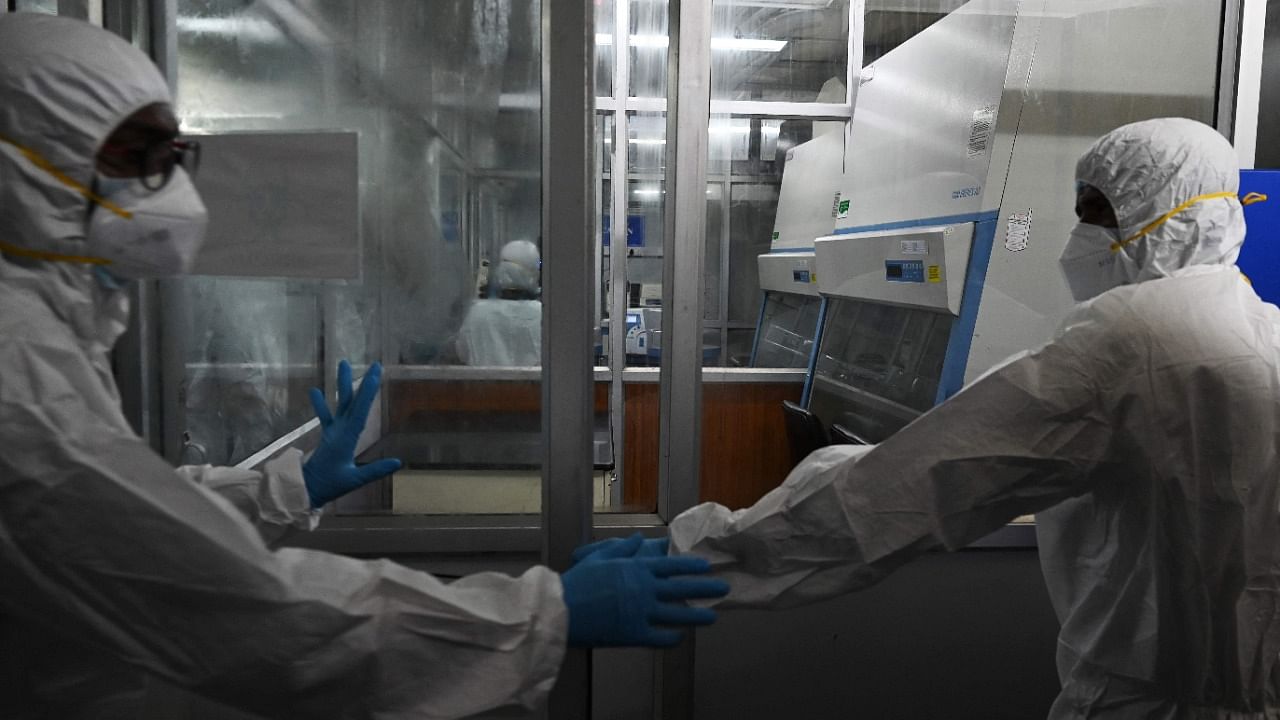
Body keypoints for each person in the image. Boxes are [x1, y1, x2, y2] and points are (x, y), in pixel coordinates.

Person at [0, 14, 727, 719]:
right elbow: (238, 608)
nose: (171, 193)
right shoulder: (17, 378)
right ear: (21, 163)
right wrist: (540, 616)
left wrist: (287, 490)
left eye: (172, 157)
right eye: (136, 157)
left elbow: (135, 519)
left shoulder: (45, 338)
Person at [587, 118, 1280, 718]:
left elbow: (907, 488)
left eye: (1096, 212)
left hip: (1148, 702)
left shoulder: (1133, 338)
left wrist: (700, 553)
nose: (1078, 236)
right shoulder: (1264, 331)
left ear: (1162, 215)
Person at [456, 239, 543, 366]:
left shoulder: (478, 313)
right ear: (534, 273)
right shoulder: (542, 315)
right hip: (535, 385)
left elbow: (462, 352)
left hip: (483, 385)